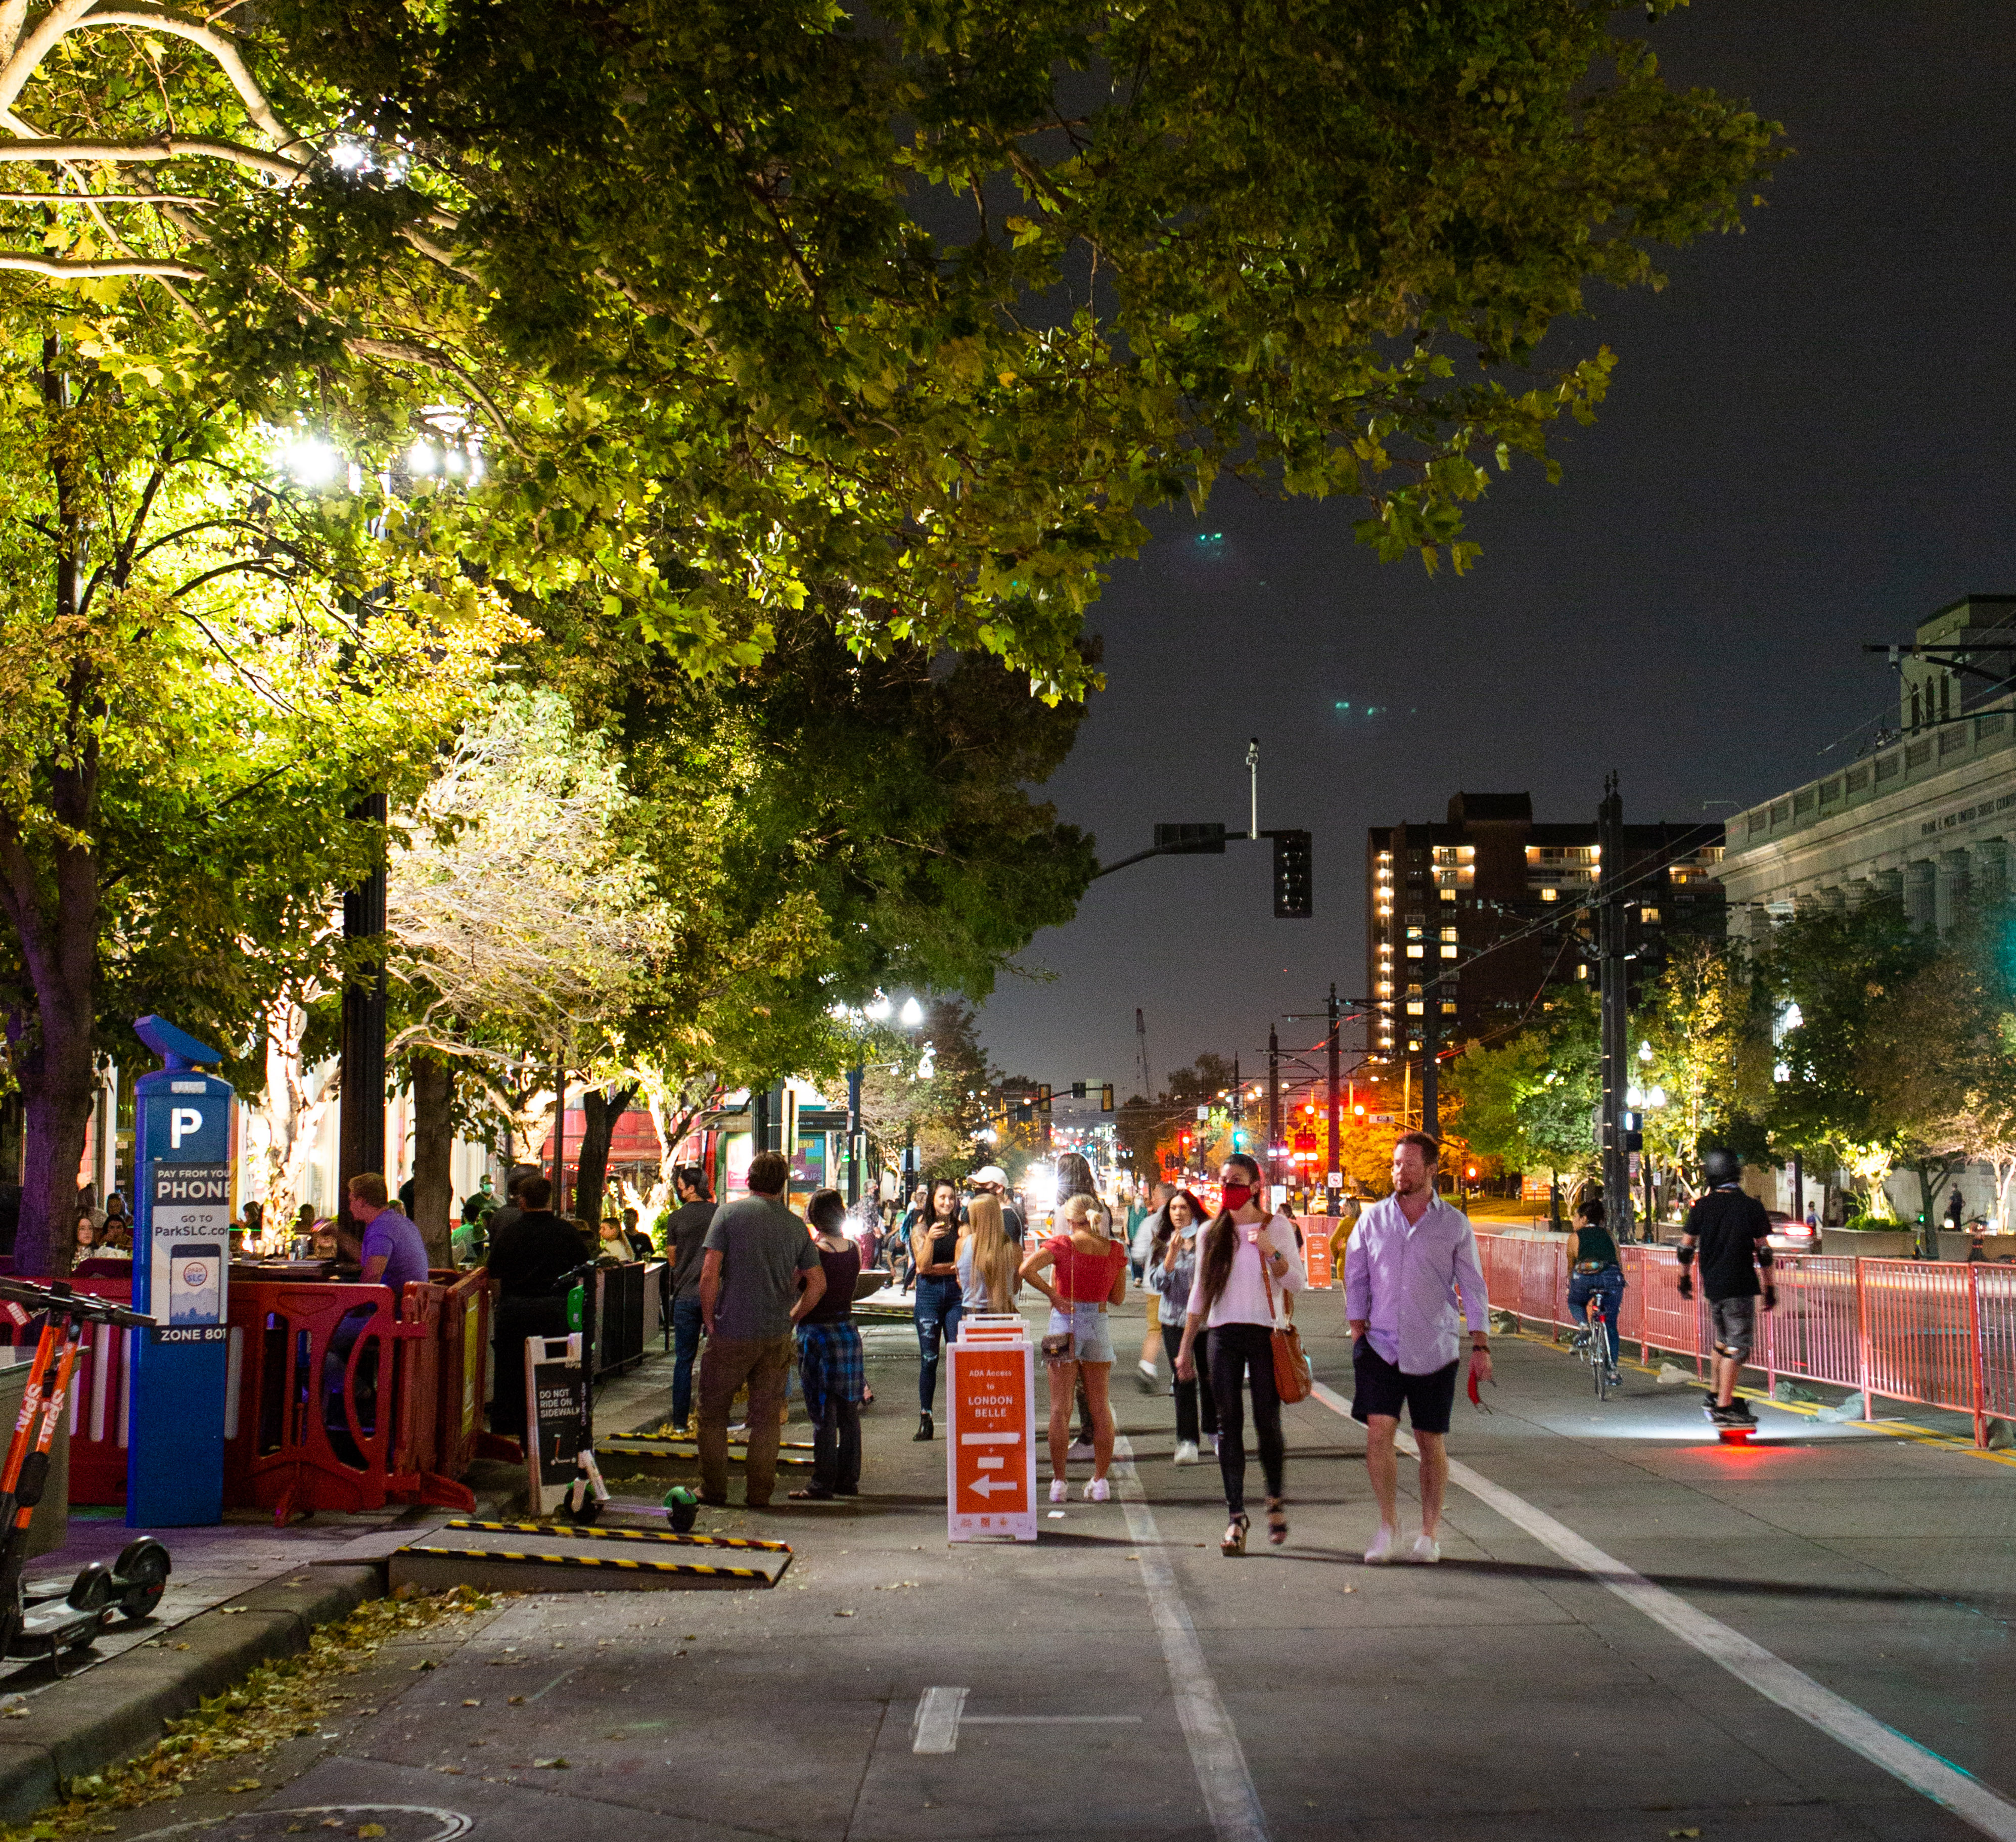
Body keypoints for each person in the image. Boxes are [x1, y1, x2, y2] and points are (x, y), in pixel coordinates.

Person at [1345, 1133, 1491, 1565]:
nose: (1399, 1172)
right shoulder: (1372, 1220)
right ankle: (1388, 1525)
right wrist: (1357, 1327)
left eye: (1408, 1164)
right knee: (1379, 1432)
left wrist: (1480, 1342)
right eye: (1395, 1164)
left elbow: (1473, 1286)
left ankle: (1429, 1532)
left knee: (1430, 1440)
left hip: (1434, 1347)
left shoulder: (1454, 1224)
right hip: (1380, 1345)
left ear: (1431, 1169)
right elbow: (1356, 1273)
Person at [1174, 1154, 1304, 1554]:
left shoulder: (1278, 1227)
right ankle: (1236, 1516)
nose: (1229, 1185)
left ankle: (1275, 1500)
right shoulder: (1213, 1231)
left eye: (1237, 1179)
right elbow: (1200, 1293)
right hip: (1223, 1335)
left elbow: (1297, 1282)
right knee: (1228, 1424)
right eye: (1224, 1179)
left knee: (1267, 1421)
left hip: (1266, 1334)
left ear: (1255, 1185)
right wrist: (1184, 1350)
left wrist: (1271, 1252)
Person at [696, 1149, 824, 1508]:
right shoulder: (795, 1225)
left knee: (713, 1412)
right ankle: (759, 1493)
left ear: (749, 1180)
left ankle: (715, 1488)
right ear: (783, 1184)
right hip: (775, 1333)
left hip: (730, 1329)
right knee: (767, 1418)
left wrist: (709, 1318)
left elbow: (709, 1274)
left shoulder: (728, 1215)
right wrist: (794, 1316)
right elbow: (817, 1283)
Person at [1022, 1192, 1129, 1502]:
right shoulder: (1113, 1250)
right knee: (1100, 1406)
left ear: (1069, 1219)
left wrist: (1053, 1295)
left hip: (1062, 1324)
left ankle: (1059, 1483)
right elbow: (1118, 1298)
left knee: (1060, 1408)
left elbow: (1026, 1270)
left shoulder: (1062, 1246)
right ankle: (1100, 1481)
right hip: (1097, 1322)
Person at [482, 1173, 588, 1440]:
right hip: (555, 1310)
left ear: (523, 1202)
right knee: (554, 1369)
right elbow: (583, 1271)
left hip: (516, 1310)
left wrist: (500, 1304)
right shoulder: (566, 1232)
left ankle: (513, 1425)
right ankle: (554, 1424)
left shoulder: (510, 1233)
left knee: (513, 1370)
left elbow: (494, 1274)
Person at [1677, 1148, 1775, 1426]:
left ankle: (1714, 1393)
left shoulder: (1702, 1207)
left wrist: (1684, 1278)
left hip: (1715, 1286)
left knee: (1722, 1342)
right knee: (1739, 1347)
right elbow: (1764, 1253)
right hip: (1740, 1284)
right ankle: (1724, 1406)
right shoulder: (1751, 1207)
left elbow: (1685, 1248)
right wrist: (1770, 1288)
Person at [791, 1188, 864, 1501]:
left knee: (823, 1413)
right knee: (849, 1411)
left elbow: (795, 1285)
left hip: (817, 1335)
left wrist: (792, 1316)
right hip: (847, 1332)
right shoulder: (855, 1249)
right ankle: (848, 1479)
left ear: (814, 1217)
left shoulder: (814, 1252)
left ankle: (822, 1482)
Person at [1150, 1188, 1215, 1463]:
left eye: (1183, 1208)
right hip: (1174, 1320)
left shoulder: (1206, 1239)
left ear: (1193, 1211)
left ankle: (1214, 1431)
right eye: (1173, 1209)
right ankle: (1187, 1440)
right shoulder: (1163, 1243)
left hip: (1206, 1321)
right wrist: (1171, 1256)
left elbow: (1215, 1276)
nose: (1178, 1213)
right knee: (1183, 1377)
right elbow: (1157, 1284)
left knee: (1211, 1379)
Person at [908, 1178, 964, 1440]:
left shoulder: (963, 1229)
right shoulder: (921, 1229)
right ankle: (926, 1417)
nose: (947, 1202)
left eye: (951, 1198)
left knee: (957, 1356)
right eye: (942, 1197)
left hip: (956, 1296)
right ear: (933, 1199)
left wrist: (943, 1268)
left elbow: (962, 1265)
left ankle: (961, 1417)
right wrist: (930, 1241)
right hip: (929, 1295)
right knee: (929, 1359)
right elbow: (922, 1266)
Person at [664, 1164, 717, 1432]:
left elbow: (672, 1258)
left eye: (681, 1184)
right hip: (715, 1297)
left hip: (685, 1295)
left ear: (691, 1188)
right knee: (716, 1359)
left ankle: (680, 1422)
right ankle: (714, 1418)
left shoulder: (676, 1218)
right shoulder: (719, 1214)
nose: (679, 1188)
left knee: (684, 1360)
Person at [1566, 1196, 1624, 1386]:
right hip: (1611, 1278)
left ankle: (1583, 1326)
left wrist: (1571, 1286)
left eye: (1576, 1217)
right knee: (1611, 1324)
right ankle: (1612, 1370)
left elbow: (1571, 1266)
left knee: (1575, 1301)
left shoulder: (1575, 1238)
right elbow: (1618, 1261)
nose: (1574, 1221)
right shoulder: (1609, 1235)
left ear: (1583, 1219)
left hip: (1584, 1278)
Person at [1134, 1180, 1174, 1394]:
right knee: (1180, 1331)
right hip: (1181, 1287)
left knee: (1155, 1330)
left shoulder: (1150, 1223)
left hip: (1155, 1287)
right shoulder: (1188, 1220)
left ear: (1164, 1199)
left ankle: (1148, 1367)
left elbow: (1138, 1254)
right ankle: (1178, 1377)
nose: (1152, 1200)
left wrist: (1148, 1264)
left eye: (1156, 1196)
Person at [957, 1192, 1019, 1315]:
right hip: (1004, 1313)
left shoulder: (962, 1245)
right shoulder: (1014, 1249)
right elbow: (1016, 1287)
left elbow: (960, 1281)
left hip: (972, 1313)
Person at [968, 1165, 1025, 1245]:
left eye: (983, 1184)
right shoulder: (993, 1215)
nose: (978, 1188)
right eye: (977, 1184)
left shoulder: (1007, 1218)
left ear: (999, 1188)